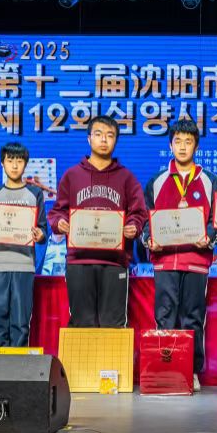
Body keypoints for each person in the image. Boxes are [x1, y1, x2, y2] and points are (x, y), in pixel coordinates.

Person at [142, 119, 217, 391]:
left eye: (189, 142)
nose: (183, 147)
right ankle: (166, 368)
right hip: (165, 263)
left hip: (196, 262)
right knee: (164, 316)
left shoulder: (209, 180)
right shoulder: (156, 181)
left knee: (193, 318)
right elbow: (145, 220)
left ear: (196, 146)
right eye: (178, 141)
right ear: (170, 145)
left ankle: (191, 370)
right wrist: (149, 239)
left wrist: (208, 237)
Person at [48, 116, 148, 327]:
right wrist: (60, 222)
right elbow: (58, 211)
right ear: (89, 139)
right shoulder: (72, 175)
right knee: (82, 323)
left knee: (113, 324)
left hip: (115, 262)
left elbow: (139, 212)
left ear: (116, 141)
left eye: (110, 135)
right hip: (79, 261)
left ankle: (112, 353)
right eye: (98, 134)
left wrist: (134, 226)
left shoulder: (127, 178)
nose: (104, 140)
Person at [0, 142, 47, 347]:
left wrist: (40, 234)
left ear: (26, 164)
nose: (15, 165)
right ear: (2, 163)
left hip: (23, 265)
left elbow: (43, 230)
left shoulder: (35, 194)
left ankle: (18, 364)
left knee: (21, 323)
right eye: (10, 160)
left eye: (19, 161)